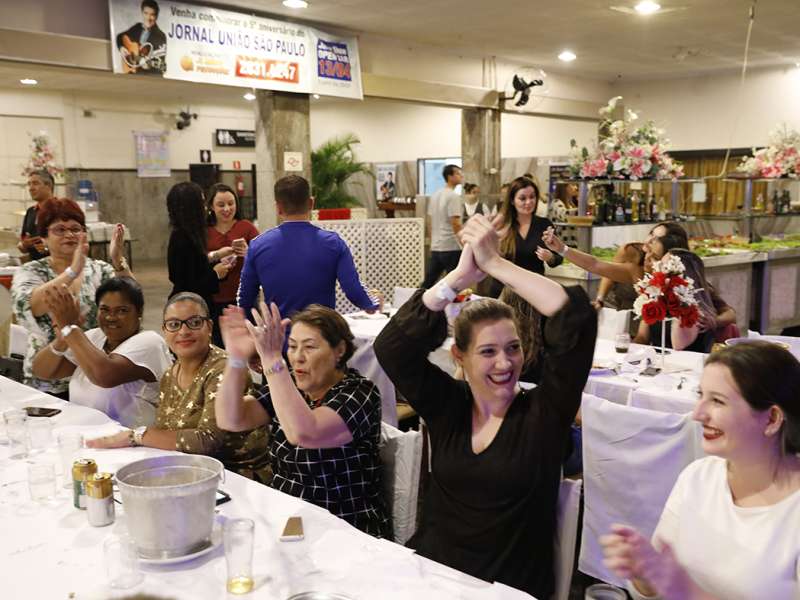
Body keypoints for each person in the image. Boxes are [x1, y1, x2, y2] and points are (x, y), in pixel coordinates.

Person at [373, 213, 597, 598]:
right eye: (488, 351)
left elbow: (574, 317)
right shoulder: (450, 408)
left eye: (513, 348)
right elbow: (391, 349)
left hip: (505, 590)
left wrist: (496, 264)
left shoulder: (544, 413)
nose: (505, 363)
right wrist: (456, 280)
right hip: (433, 578)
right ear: (459, 356)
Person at [601, 341, 800, 599]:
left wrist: (685, 590)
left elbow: (678, 588)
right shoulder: (699, 477)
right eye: (700, 395)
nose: (697, 414)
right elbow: (657, 591)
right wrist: (644, 573)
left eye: (717, 401)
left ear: (772, 418)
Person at [216, 302, 389, 536]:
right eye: (293, 346)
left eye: (309, 347)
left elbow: (304, 433)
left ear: (339, 351)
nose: (297, 357)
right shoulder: (290, 386)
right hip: (285, 519)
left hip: (343, 529)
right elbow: (230, 419)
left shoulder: (360, 393)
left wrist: (271, 358)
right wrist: (236, 358)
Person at [87, 292, 271, 482]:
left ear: (209, 327)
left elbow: (207, 440)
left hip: (235, 478)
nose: (183, 332)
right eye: (174, 325)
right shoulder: (170, 374)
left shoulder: (224, 368)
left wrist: (135, 436)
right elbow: (166, 431)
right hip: (189, 471)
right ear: (164, 331)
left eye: (194, 322)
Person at [11, 199, 133, 398]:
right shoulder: (31, 271)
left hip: (93, 372)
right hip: (48, 376)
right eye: (60, 229)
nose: (69, 234)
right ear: (43, 238)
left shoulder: (98, 269)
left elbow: (131, 297)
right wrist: (73, 271)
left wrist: (118, 260)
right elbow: (29, 304)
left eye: (75, 229)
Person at [31, 277, 172, 427]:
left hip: (133, 444)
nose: (111, 317)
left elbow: (104, 376)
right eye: (104, 310)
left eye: (122, 311)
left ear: (139, 312)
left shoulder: (150, 342)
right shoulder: (94, 336)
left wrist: (68, 328)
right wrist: (61, 339)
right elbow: (43, 371)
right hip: (87, 437)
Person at [237, 175, 379, 319]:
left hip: (279, 337)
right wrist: (373, 303)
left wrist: (251, 327)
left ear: (278, 208)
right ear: (311, 203)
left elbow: (245, 298)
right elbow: (353, 289)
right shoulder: (333, 243)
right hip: (321, 334)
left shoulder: (257, 245)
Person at [486, 176, 563, 297]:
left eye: (532, 197)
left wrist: (550, 257)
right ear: (512, 200)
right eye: (522, 198)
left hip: (534, 293)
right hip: (503, 293)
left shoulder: (544, 224)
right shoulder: (502, 225)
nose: (528, 202)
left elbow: (558, 259)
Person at [206, 183, 259, 347]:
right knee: (220, 347)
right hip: (214, 299)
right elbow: (196, 262)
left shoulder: (246, 227)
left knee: (249, 347)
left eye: (231, 203)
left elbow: (262, 258)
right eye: (221, 205)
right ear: (211, 207)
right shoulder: (204, 231)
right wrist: (216, 256)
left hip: (244, 298)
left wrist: (248, 252)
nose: (227, 209)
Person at [633, 249, 717, 353]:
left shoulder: (693, 309)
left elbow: (677, 346)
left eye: (664, 266)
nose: (658, 269)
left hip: (687, 365)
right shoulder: (656, 299)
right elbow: (642, 337)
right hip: (656, 362)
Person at [167, 181, 229, 313]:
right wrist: (215, 273)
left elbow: (195, 266)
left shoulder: (191, 233)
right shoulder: (181, 238)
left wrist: (216, 257)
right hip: (189, 307)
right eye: (201, 203)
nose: (205, 207)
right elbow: (185, 280)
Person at [421, 164, 463, 288]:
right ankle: (455, 307)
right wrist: (464, 243)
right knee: (455, 284)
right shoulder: (453, 196)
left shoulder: (435, 195)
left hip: (436, 247)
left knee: (428, 282)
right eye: (458, 173)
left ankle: (416, 304)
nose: (461, 176)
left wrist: (432, 242)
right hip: (451, 246)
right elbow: (455, 223)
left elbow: (429, 221)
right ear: (450, 176)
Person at [115, 0, 167, 75]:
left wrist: (149, 66)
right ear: (142, 13)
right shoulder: (137, 27)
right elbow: (120, 37)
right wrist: (121, 48)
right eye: (146, 13)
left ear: (156, 16)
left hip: (146, 78)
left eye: (152, 14)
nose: (148, 18)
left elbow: (160, 65)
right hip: (131, 74)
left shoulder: (160, 36)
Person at [18, 170, 56, 261]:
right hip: (36, 267)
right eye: (29, 184)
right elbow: (23, 247)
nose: (31, 188)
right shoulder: (31, 212)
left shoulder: (59, 209)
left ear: (48, 186)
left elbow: (62, 246)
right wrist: (24, 245)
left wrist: (37, 245)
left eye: (35, 183)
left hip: (56, 266)